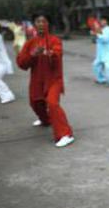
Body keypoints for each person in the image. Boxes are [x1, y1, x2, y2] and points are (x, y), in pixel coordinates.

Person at [17, 14, 74, 147]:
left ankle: (65, 134)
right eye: (38, 21)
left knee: (52, 103)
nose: (41, 24)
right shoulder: (30, 43)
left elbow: (57, 54)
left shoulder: (55, 40)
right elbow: (21, 63)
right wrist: (33, 54)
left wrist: (49, 53)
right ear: (34, 24)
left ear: (48, 23)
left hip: (54, 79)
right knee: (35, 102)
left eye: (44, 21)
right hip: (37, 79)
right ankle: (46, 120)